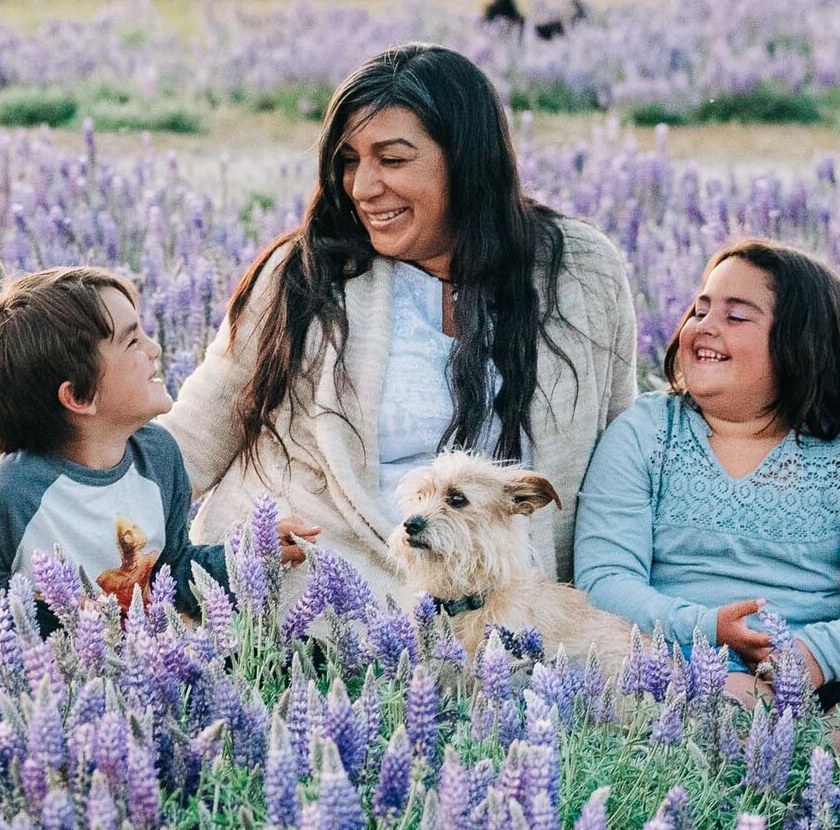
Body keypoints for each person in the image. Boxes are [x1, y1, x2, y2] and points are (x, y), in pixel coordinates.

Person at [162, 44, 638, 600]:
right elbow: (194, 435)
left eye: (391, 160)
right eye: (348, 161)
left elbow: (619, 461)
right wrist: (81, 513)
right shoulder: (308, 273)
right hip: (323, 591)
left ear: (465, 161)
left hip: (510, 611)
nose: (362, 187)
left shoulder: (578, 269)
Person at [574, 237, 840, 706]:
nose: (706, 327)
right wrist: (705, 627)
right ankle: (813, 741)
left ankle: (795, 739)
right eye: (700, 311)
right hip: (685, 651)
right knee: (685, 685)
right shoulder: (645, 431)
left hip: (825, 666)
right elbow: (605, 580)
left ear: (799, 346)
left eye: (735, 316)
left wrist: (820, 653)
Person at [0, 266, 308, 627]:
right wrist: (42, 619)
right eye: (132, 341)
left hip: (143, 672)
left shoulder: (158, 457)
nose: (155, 348)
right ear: (79, 396)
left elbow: (172, 571)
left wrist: (244, 556)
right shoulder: (5, 496)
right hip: (46, 682)